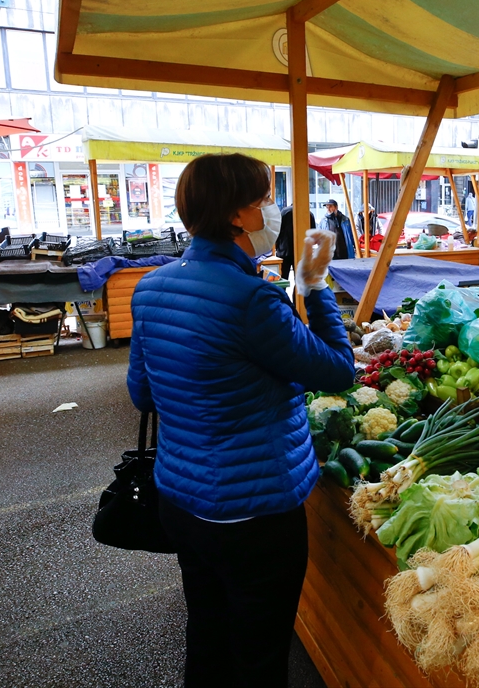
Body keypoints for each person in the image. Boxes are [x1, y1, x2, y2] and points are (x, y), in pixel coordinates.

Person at [126, 153, 353, 688]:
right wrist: (317, 288)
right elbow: (338, 370)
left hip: (181, 500)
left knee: (207, 633)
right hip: (255, 514)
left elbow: (142, 393)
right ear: (237, 215)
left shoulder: (152, 287)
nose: (271, 211)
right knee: (259, 655)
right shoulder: (253, 298)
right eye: (263, 201)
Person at [274, 204, 316, 280]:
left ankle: (282, 292)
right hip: (301, 251)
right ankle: (296, 292)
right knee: (300, 279)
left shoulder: (284, 212)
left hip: (284, 250)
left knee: (282, 278)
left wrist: (277, 246)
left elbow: (277, 230)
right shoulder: (309, 214)